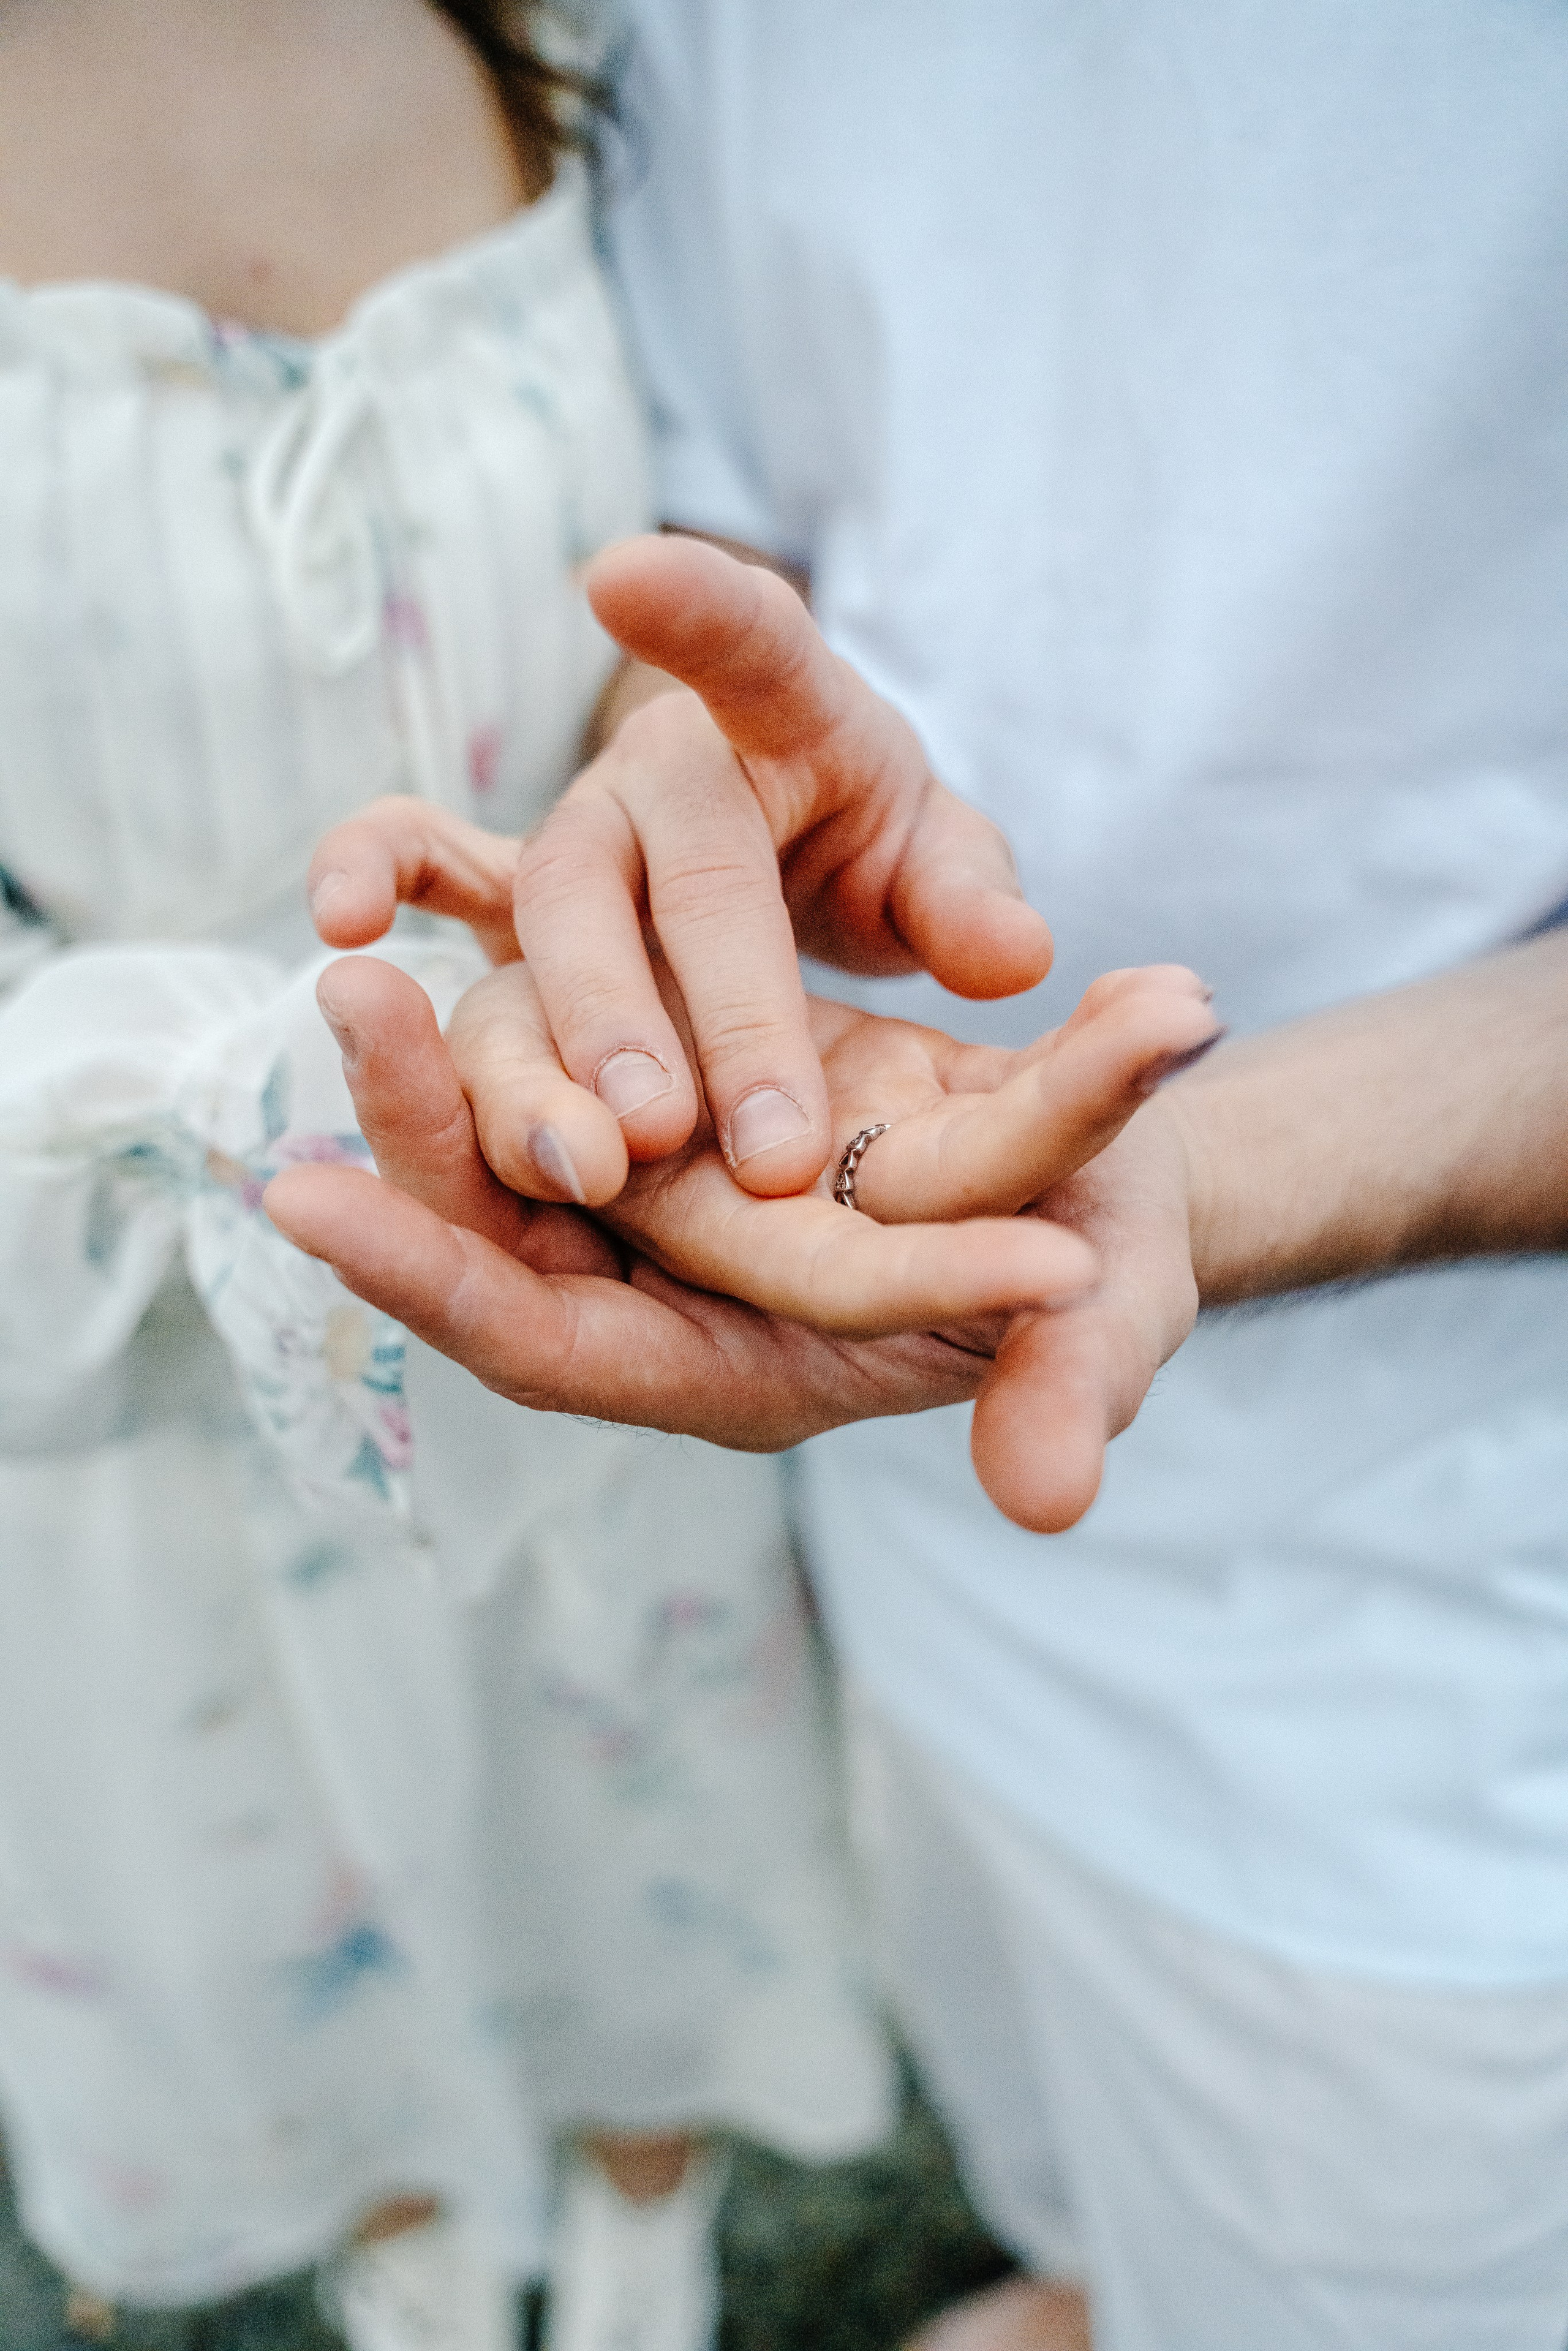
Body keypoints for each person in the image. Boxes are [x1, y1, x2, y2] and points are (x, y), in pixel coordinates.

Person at [273, 5, 1568, 2344]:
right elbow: (738, 505)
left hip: (1437, 1673)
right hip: (879, 1480)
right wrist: (679, 814)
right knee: (1059, 2135)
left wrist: (1193, 1182)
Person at [0, 10, 907, 2349]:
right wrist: (259, 1094)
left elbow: (690, 542)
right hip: (148, 1291)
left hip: (595, 1217)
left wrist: (659, 783)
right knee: (296, 1904)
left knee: (634, 1854)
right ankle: (420, 2271)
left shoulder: (557, 27)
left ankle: (634, 2249)